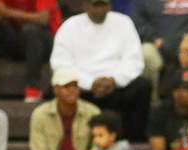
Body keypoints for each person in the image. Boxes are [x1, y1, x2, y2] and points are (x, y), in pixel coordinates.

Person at [49, 0, 151, 141]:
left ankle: (133, 140)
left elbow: (134, 60)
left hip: (116, 86)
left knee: (142, 86)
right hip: (83, 88)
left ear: (109, 6)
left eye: (103, 5)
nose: (99, 10)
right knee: (59, 87)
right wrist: (90, 83)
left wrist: (115, 80)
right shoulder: (70, 26)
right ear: (84, 5)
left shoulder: (123, 22)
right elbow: (61, 63)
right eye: (95, 5)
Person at [131, 0, 188, 101]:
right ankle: (153, 107)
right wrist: (154, 39)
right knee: (146, 54)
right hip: (156, 44)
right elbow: (138, 21)